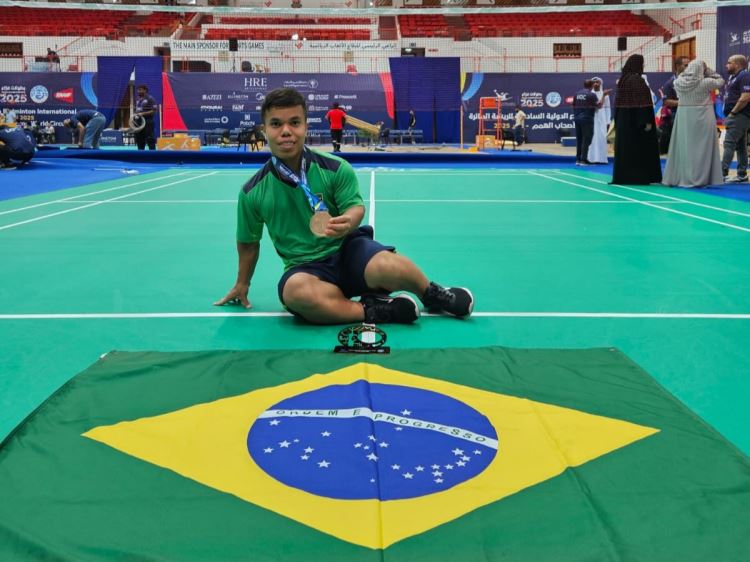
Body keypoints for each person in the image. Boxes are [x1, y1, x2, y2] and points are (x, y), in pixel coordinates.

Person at [214, 87, 474, 325]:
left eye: (294, 122)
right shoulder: (251, 192)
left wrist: (349, 221)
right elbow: (248, 243)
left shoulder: (336, 168)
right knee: (296, 293)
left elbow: (355, 207)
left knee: (390, 265)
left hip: (349, 250)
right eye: (276, 124)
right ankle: (375, 310)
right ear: (264, 130)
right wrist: (242, 283)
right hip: (306, 269)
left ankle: (431, 294)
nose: (286, 131)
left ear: (305, 126)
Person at [662, 60, 724, 188]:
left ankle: (683, 175)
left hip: (684, 117)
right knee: (703, 148)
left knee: (684, 147)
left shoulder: (678, 82)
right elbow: (721, 80)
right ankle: (702, 177)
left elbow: (681, 75)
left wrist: (687, 72)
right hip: (704, 117)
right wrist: (707, 70)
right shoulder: (706, 82)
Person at [611, 54, 662, 185]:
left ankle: (625, 177)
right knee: (638, 150)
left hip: (623, 122)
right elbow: (642, 103)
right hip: (636, 124)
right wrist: (646, 122)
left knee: (625, 150)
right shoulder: (637, 80)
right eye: (642, 63)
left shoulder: (623, 80)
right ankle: (639, 177)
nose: (643, 66)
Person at [720, 54, 750, 183]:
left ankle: (721, 173)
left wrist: (733, 112)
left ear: (737, 64)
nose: (726, 65)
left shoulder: (744, 75)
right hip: (737, 116)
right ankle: (742, 175)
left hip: (739, 115)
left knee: (729, 144)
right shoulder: (734, 77)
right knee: (740, 146)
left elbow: (746, 97)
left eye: (729, 62)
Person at [658, 56, 690, 155]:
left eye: (689, 65)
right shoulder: (669, 83)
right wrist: (683, 103)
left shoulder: (691, 81)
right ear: (677, 66)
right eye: (686, 65)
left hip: (690, 113)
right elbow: (666, 101)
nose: (688, 67)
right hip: (676, 114)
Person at [572, 79, 599, 165]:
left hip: (577, 119)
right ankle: (583, 160)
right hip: (587, 120)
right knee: (586, 139)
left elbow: (573, 105)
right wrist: (604, 95)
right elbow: (599, 105)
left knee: (579, 139)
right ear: (592, 86)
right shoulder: (592, 95)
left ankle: (578, 159)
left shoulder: (577, 94)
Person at [587, 77, 611, 164]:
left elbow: (607, 108)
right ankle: (591, 158)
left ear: (601, 84)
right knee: (592, 137)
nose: (596, 84)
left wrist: (608, 121)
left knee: (602, 137)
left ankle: (602, 159)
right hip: (592, 117)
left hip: (602, 117)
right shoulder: (589, 94)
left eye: (598, 82)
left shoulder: (605, 95)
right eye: (594, 82)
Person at [134, 84, 157, 150]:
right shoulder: (138, 99)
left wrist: (143, 113)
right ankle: (140, 154)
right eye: (138, 90)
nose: (138, 91)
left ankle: (152, 154)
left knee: (150, 139)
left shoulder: (150, 98)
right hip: (139, 121)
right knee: (139, 139)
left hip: (148, 121)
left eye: (140, 90)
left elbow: (154, 110)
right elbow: (138, 109)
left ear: (145, 90)